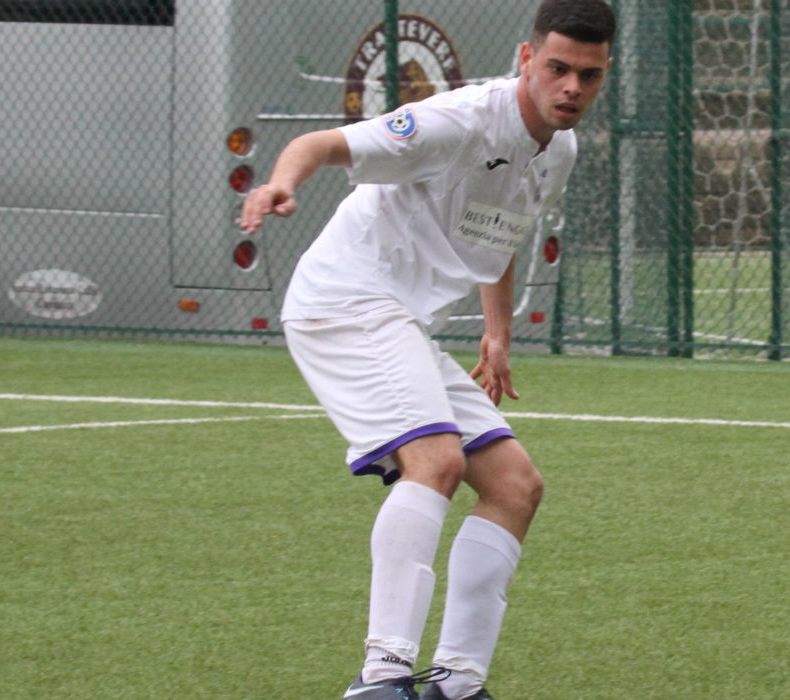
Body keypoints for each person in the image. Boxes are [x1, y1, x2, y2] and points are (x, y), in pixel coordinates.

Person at [237, 2, 614, 698]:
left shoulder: (558, 148)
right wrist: (281, 183)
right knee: (435, 460)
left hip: (397, 321)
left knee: (515, 487)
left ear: (603, 74)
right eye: (557, 69)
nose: (571, 88)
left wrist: (496, 333)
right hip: (344, 303)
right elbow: (322, 144)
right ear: (527, 60)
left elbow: (500, 232)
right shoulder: (460, 120)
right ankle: (380, 678)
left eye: (588, 76)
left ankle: (457, 684)